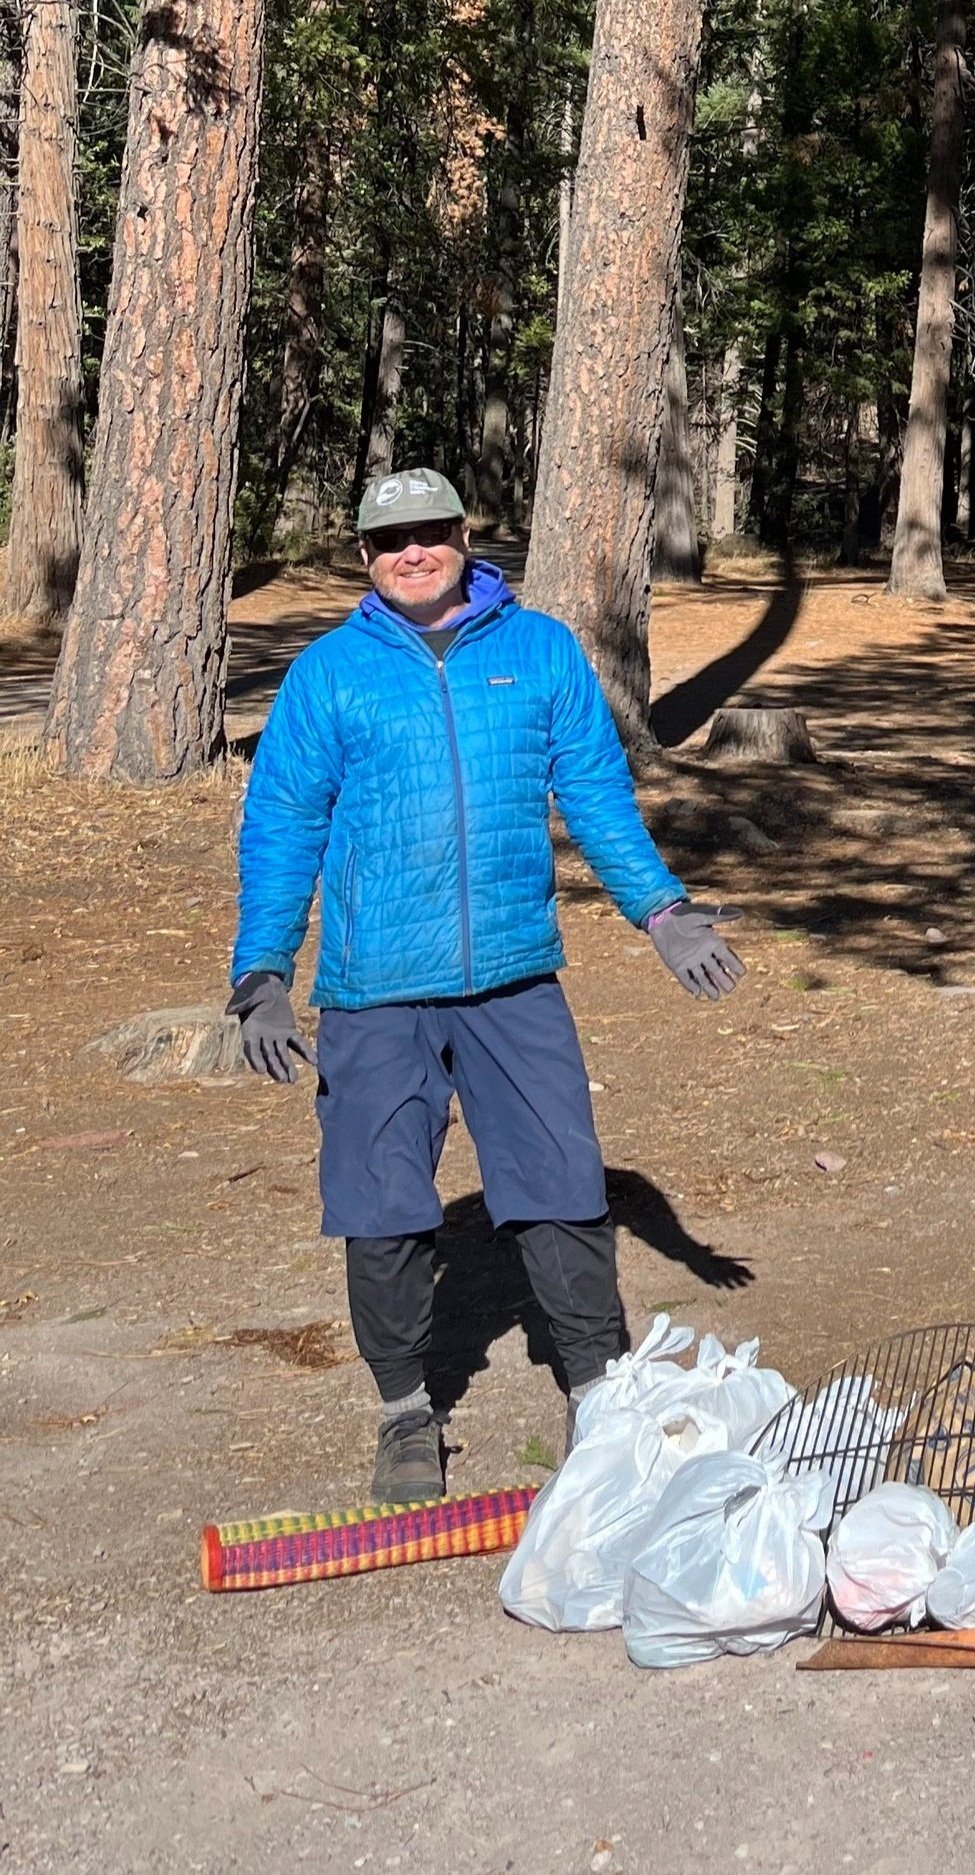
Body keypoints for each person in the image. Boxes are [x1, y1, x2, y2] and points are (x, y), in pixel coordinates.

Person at [226, 467, 747, 1504]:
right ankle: (405, 1413)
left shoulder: (540, 651)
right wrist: (263, 971)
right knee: (379, 1207)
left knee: (561, 1183)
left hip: (515, 977)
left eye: (429, 533)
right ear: (364, 557)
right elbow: (282, 826)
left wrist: (662, 910)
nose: (411, 552)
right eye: (388, 541)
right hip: (376, 988)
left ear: (466, 535)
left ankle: (598, 1397)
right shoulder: (329, 675)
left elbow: (595, 792)